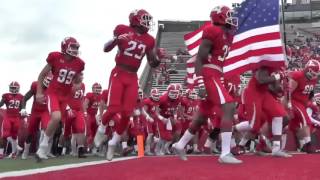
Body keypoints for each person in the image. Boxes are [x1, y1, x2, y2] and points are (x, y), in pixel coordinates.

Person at [173, 5, 242, 164]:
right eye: (228, 15)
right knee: (229, 106)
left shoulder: (226, 35)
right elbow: (200, 58)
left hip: (217, 73)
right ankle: (225, 153)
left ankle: (180, 144)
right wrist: (199, 83)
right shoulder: (213, 30)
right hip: (209, 73)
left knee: (201, 117)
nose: (232, 19)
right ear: (220, 17)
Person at [94, 9, 166, 161]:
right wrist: (117, 39)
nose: (148, 22)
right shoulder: (123, 29)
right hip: (119, 72)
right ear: (135, 19)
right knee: (114, 108)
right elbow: (105, 48)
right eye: (145, 19)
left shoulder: (149, 39)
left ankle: (114, 142)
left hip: (133, 76)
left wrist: (158, 57)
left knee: (127, 113)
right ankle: (101, 130)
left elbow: (152, 63)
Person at [35, 37, 85, 161]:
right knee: (56, 117)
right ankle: (42, 147)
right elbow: (41, 75)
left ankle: (43, 148)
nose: (75, 50)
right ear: (65, 46)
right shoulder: (55, 57)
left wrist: (78, 81)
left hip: (65, 96)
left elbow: (76, 80)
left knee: (56, 123)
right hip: (53, 93)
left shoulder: (79, 63)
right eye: (72, 47)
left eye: (76, 47)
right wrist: (39, 92)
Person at [21, 74, 53, 159]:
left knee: (46, 128)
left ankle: (41, 151)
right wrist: (23, 108)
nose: (49, 83)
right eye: (48, 80)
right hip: (35, 111)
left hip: (45, 111)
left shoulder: (54, 89)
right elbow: (25, 98)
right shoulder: (36, 85)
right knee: (30, 133)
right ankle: (26, 151)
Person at [0, 81, 24, 159]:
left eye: (14, 88)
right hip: (8, 116)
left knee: (14, 136)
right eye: (11, 87)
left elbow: (22, 106)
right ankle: (1, 153)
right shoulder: (6, 95)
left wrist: (23, 110)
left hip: (16, 117)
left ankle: (13, 153)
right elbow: (1, 103)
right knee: (5, 135)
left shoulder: (21, 96)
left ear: (18, 88)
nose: (12, 89)